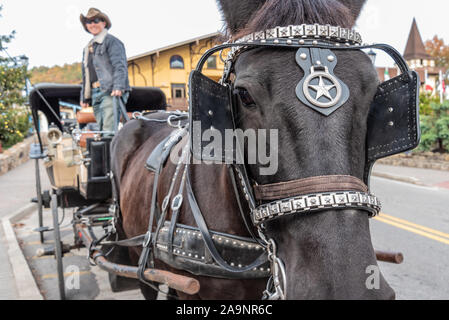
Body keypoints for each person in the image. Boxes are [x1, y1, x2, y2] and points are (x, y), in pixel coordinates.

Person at [79, 8, 130, 135]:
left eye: (96, 20)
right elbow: (86, 74)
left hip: (110, 91)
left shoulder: (112, 42)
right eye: (89, 21)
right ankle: (104, 154)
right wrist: (84, 98)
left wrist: (118, 87)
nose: (92, 24)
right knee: (101, 129)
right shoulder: (88, 48)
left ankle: (109, 155)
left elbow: (120, 66)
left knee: (108, 130)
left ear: (104, 23)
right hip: (95, 92)